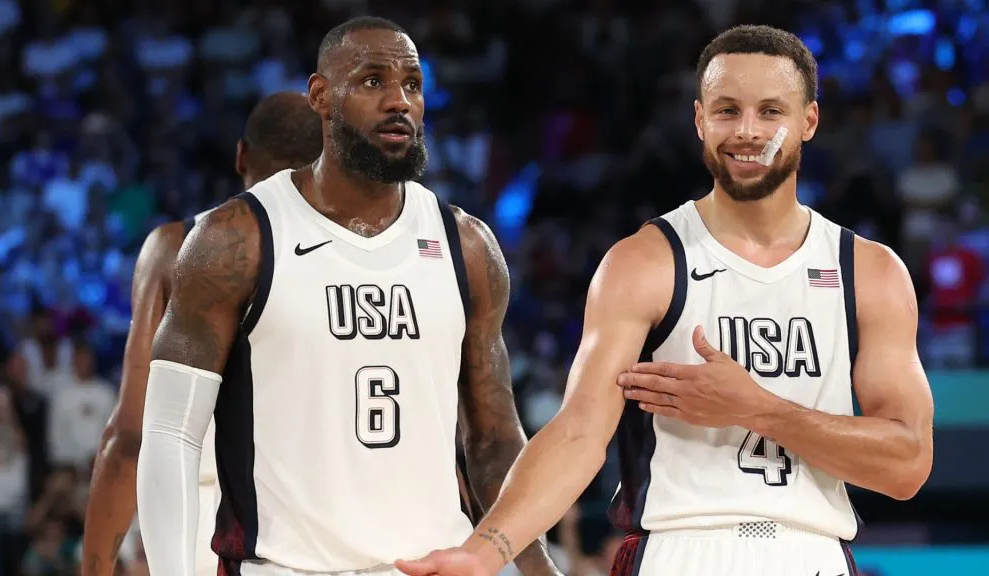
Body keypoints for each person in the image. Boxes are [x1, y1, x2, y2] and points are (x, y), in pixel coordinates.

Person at [395, 24, 935, 576]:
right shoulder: (645, 262)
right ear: (700, 119)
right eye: (727, 111)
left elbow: (908, 463)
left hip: (813, 549)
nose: (747, 131)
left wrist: (758, 409)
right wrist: (483, 554)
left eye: (771, 111)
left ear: (809, 121)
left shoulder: (868, 271)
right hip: (679, 546)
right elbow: (580, 432)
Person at [135, 16, 559, 576]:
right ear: (321, 96)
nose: (398, 102)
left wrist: (537, 568)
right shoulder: (235, 239)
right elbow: (169, 435)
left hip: (430, 564)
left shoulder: (467, 246)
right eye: (371, 82)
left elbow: (493, 440)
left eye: (411, 85)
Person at [82, 91, 325, 576]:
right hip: (334, 529)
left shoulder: (177, 248)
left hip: (207, 531)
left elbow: (131, 435)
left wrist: (93, 568)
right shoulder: (365, 258)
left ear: (241, 155)